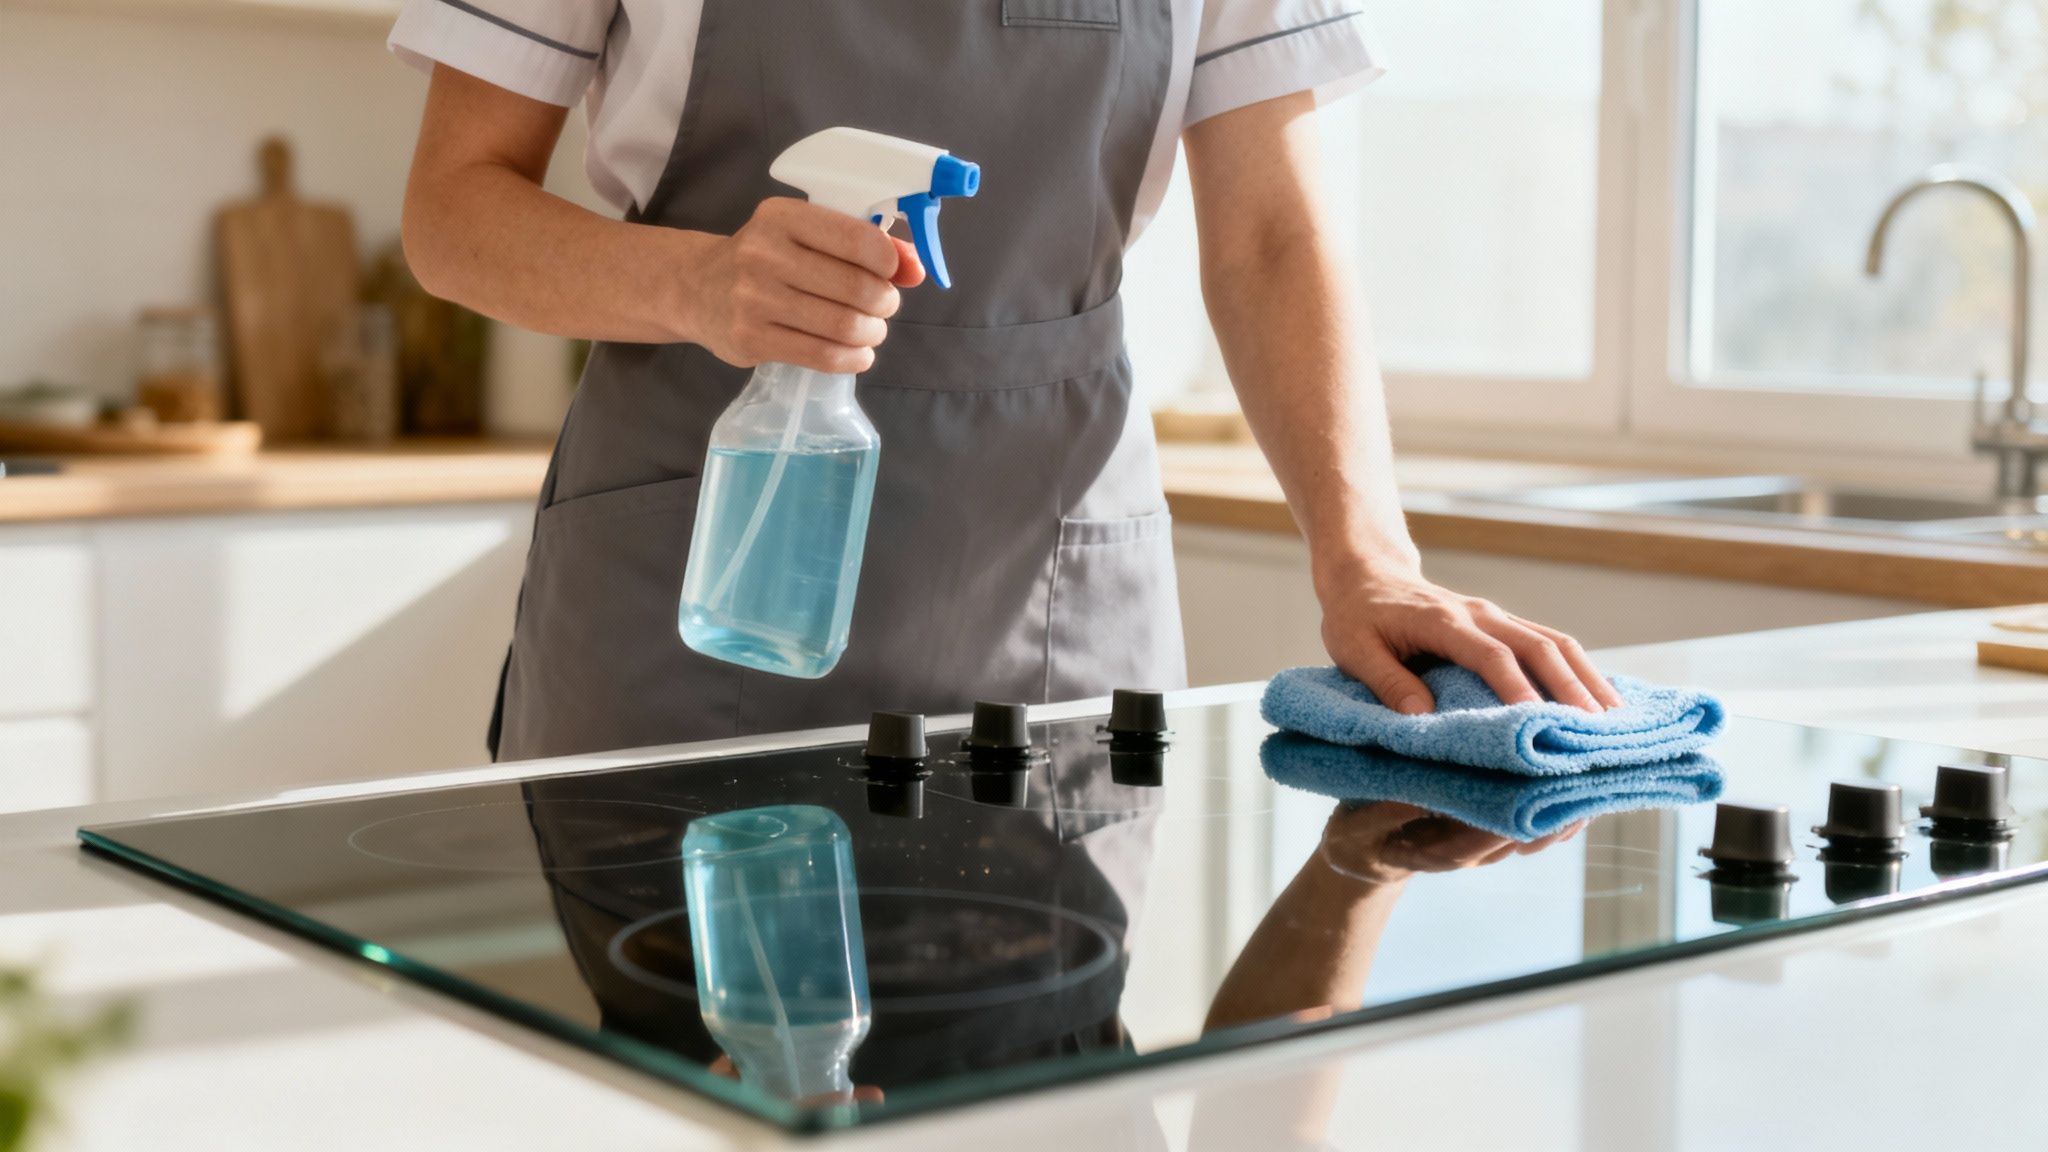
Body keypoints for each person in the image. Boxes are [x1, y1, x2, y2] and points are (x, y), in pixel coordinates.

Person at [389, 0, 1626, 761]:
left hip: (1049, 610)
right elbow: (451, 210)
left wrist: (1366, 558)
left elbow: (1270, 241)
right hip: (692, 605)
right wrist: (698, 286)